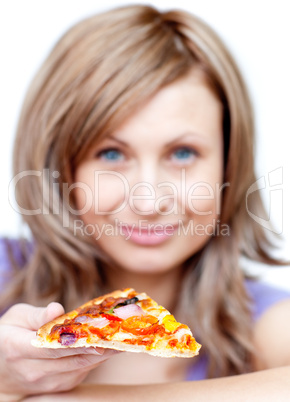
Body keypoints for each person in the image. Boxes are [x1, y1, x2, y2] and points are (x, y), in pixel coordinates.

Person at [0, 4, 290, 401]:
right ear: (59, 168)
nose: (149, 200)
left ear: (229, 164)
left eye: (183, 153)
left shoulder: (269, 322)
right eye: (112, 154)